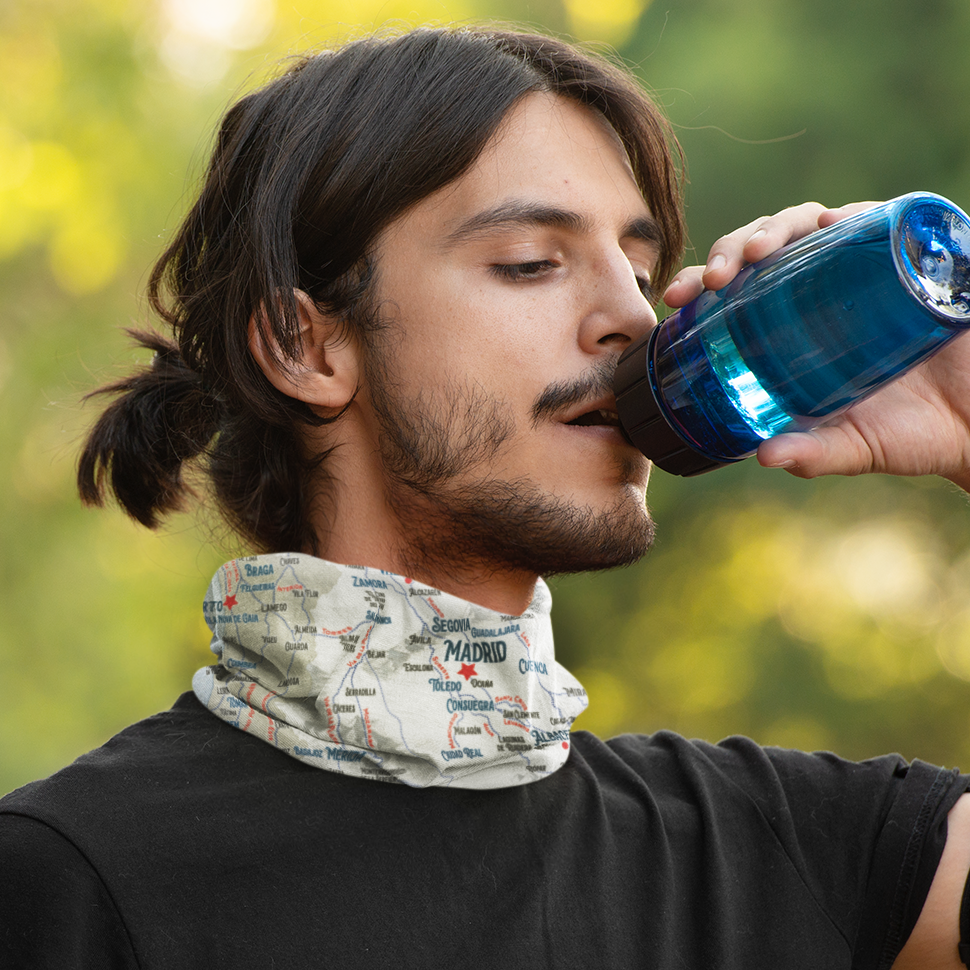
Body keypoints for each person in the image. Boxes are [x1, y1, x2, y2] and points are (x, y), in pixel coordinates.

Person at [1, 24, 969, 969]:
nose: (632, 317)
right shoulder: (75, 874)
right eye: (529, 263)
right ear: (305, 345)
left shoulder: (787, 850)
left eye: (638, 269)